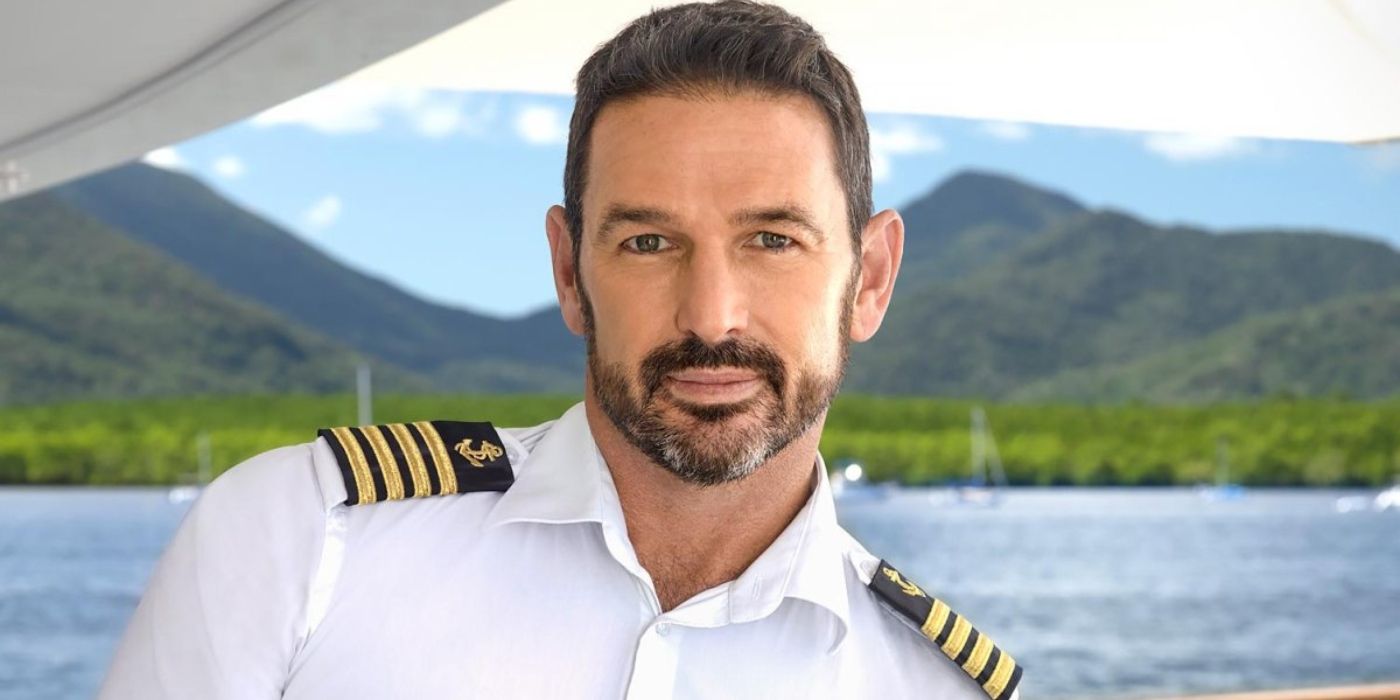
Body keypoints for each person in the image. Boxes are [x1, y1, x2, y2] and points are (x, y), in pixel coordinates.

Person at [99, 2, 1022, 698]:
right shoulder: (303, 537)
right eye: (648, 242)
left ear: (869, 279)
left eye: (772, 240)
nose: (712, 314)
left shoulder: (937, 685)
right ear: (569, 272)